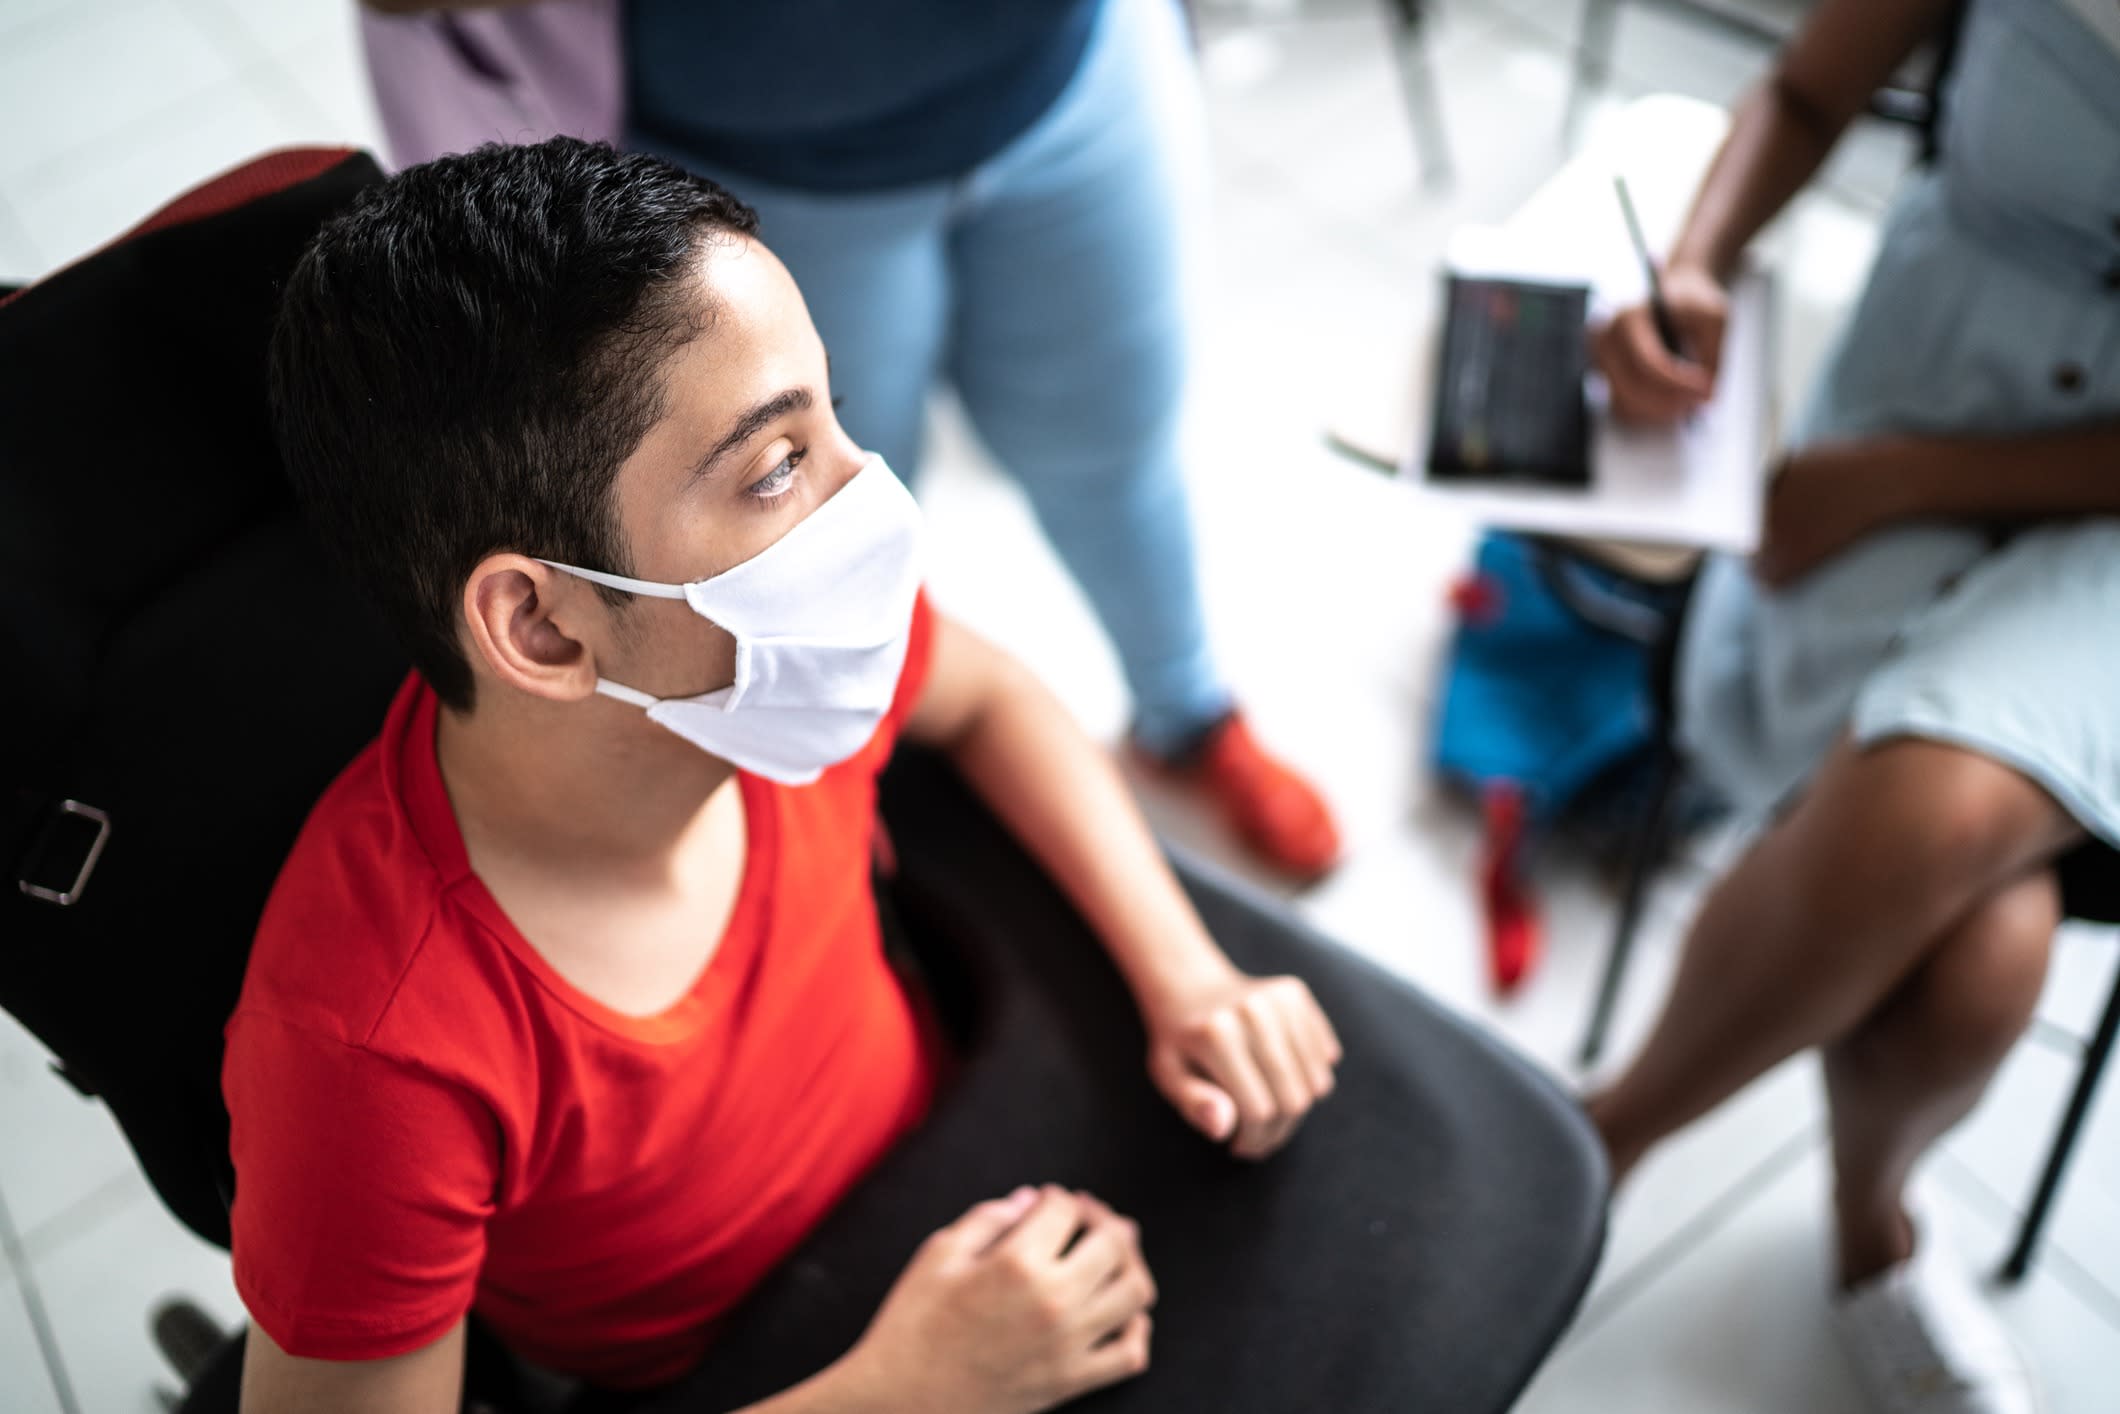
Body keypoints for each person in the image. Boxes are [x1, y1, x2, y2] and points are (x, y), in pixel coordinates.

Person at [227, 137, 1343, 1412]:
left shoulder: (792, 680)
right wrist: (909, 1388)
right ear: (541, 626)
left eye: (835, 417)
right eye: (773, 469)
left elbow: (990, 701)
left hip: (967, 1150)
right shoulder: (375, 1056)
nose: (868, 503)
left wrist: (1182, 970)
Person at [356, 0, 1345, 882]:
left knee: (1113, 455)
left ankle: (1188, 715)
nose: (873, 488)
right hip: (743, 144)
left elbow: (992, 693)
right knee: (811, 573)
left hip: (1061, 68)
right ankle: (858, 780)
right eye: (787, 454)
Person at [1585, 0, 2120, 1408]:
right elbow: (1806, 93)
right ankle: (1873, 1229)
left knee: (1943, 797)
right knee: (1980, 959)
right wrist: (1691, 266)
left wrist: (1898, 478)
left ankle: (1588, 1144)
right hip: (1932, 362)